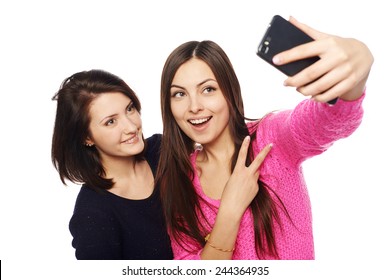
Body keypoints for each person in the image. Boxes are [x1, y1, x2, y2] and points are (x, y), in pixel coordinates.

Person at [156, 17, 373, 260]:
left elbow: (329, 120)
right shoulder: (178, 181)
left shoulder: (270, 138)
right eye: (179, 94)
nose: (194, 106)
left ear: (230, 91)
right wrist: (229, 211)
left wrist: (358, 62)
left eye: (208, 89)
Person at [51, 69, 173, 260]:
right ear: (87, 137)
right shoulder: (92, 214)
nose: (132, 127)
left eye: (130, 109)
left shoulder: (163, 150)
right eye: (111, 122)